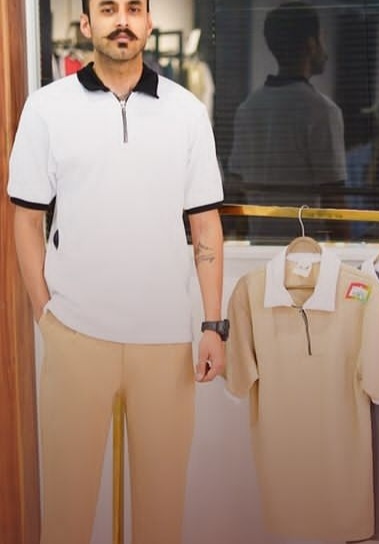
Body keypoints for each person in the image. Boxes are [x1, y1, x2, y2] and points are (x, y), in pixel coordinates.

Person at [8, 1, 226, 543]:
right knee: (65, 518)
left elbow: (205, 225)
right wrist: (45, 314)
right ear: (87, 24)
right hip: (76, 336)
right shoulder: (47, 108)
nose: (122, 20)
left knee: (161, 519)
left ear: (149, 23)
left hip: (165, 341)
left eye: (133, 9)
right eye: (107, 9)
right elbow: (26, 219)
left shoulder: (186, 112)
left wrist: (212, 325)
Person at [227, 0, 347, 241]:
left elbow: (237, 190)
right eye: (322, 40)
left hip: (259, 249)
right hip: (306, 252)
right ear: (311, 44)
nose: (326, 51)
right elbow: (334, 200)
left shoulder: (247, 109)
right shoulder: (322, 112)